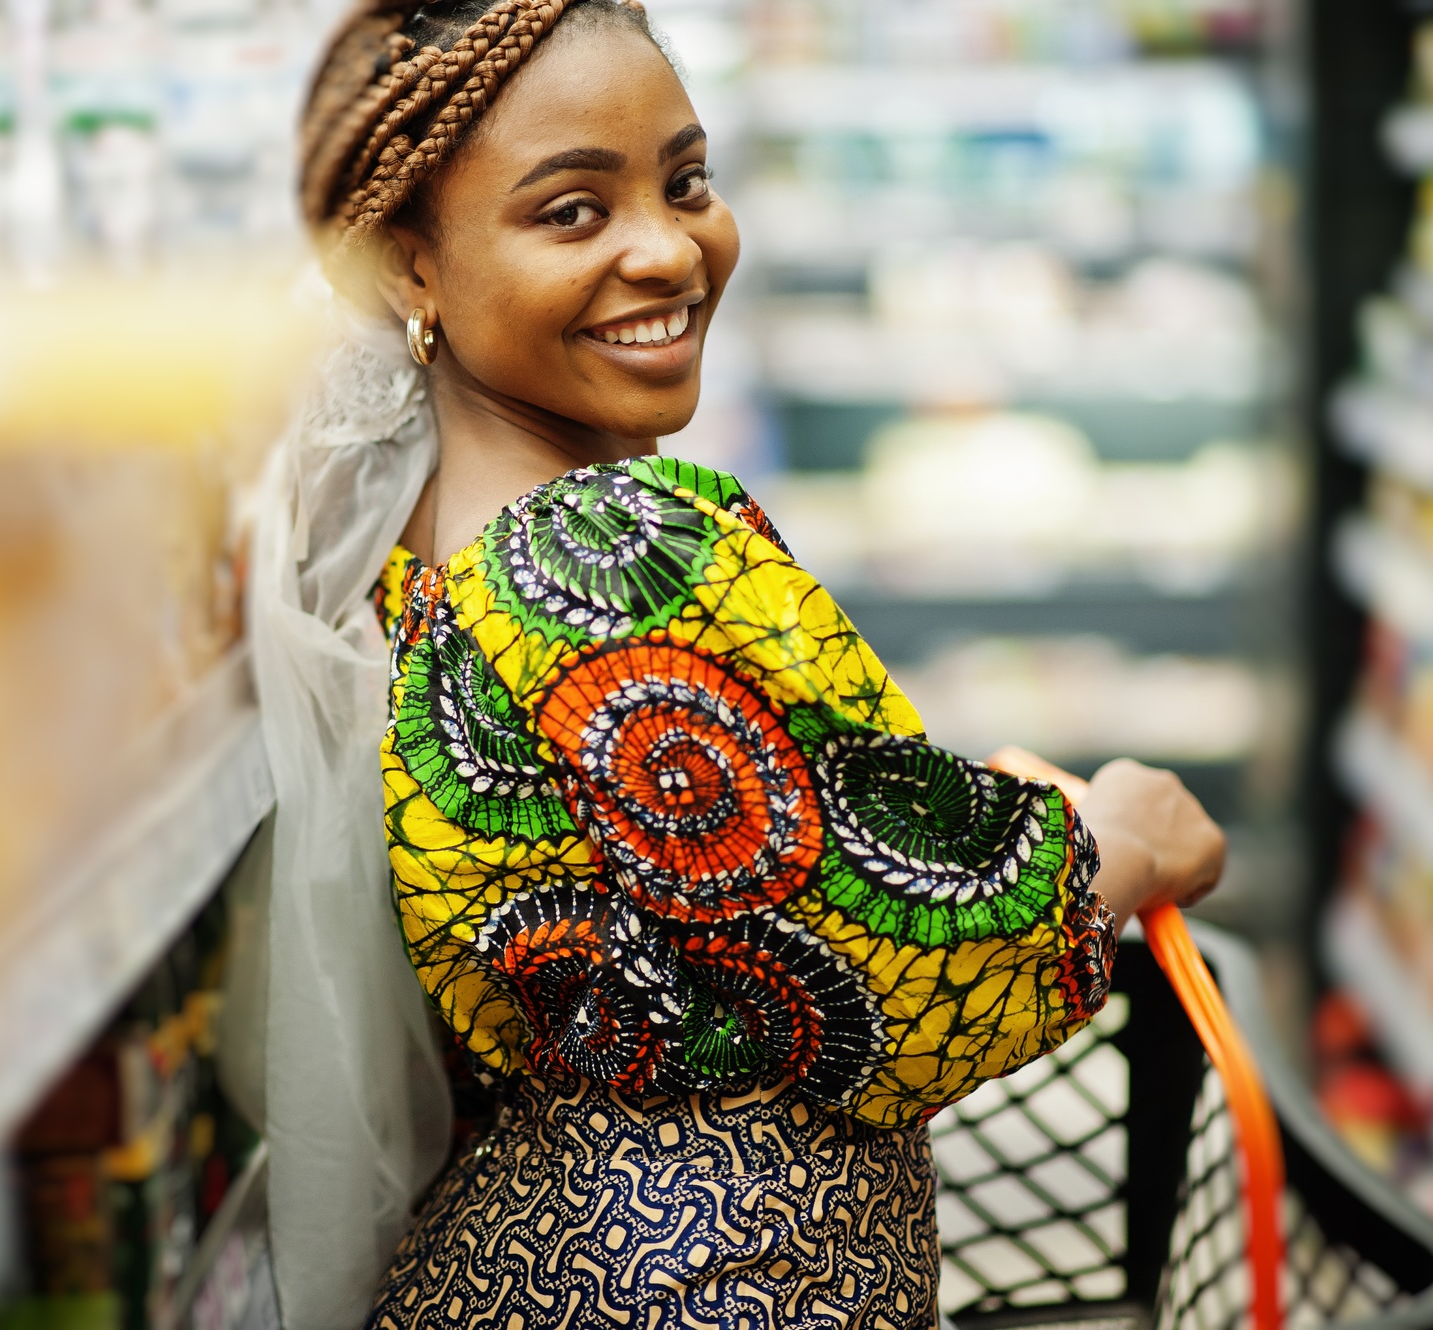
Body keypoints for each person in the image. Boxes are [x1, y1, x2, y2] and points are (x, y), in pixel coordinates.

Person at [246, 2, 1228, 1327]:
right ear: (407, 270)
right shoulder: (606, 549)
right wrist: (1123, 844)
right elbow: (887, 952)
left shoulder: (419, 540)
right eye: (571, 212)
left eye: (686, 181)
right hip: (718, 1272)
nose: (669, 248)